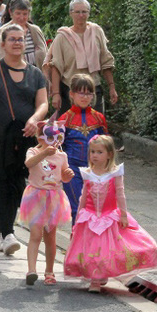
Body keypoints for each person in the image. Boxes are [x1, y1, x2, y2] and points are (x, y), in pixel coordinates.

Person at [0, 24, 48, 256]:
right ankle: (7, 234)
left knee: (18, 182)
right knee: (2, 182)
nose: (17, 43)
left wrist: (35, 119)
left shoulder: (36, 74)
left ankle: (3, 231)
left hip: (24, 139)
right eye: (12, 39)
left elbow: (43, 104)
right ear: (3, 43)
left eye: (20, 39)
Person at [63, 135, 157, 293]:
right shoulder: (87, 173)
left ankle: (103, 274)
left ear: (109, 154)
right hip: (90, 215)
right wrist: (79, 216)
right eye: (92, 152)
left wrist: (123, 215)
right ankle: (95, 279)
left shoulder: (115, 173)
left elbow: (120, 195)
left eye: (99, 152)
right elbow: (83, 196)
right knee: (92, 250)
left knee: (109, 249)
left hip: (109, 216)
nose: (94, 155)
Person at [21, 116, 74, 286]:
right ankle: (31, 270)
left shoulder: (62, 156)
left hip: (54, 197)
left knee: (51, 237)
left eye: (59, 138)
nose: (55, 142)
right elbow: (29, 164)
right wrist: (44, 153)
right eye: (50, 138)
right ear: (40, 138)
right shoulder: (34, 151)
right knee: (36, 234)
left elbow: (63, 176)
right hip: (36, 196)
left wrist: (67, 176)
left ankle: (49, 272)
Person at [47, 0, 117, 116]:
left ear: (89, 13)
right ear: (71, 14)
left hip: (93, 89)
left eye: (84, 12)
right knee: (70, 130)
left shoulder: (97, 32)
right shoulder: (62, 37)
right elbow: (56, 67)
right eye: (77, 12)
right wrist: (56, 94)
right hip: (70, 91)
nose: (81, 15)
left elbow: (106, 61)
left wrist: (111, 87)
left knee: (96, 129)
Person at [60, 73, 108, 221]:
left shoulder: (99, 118)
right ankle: (77, 242)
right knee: (77, 209)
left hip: (95, 171)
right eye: (81, 92)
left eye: (89, 93)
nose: (85, 97)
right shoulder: (64, 119)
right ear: (72, 94)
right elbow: (58, 148)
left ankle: (94, 243)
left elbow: (107, 147)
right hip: (72, 170)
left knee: (96, 210)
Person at [0, 0, 47, 67]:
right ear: (10, 12)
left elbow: (45, 56)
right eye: (18, 13)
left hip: (34, 76)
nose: (21, 17)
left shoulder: (35, 30)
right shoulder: (2, 32)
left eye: (25, 14)